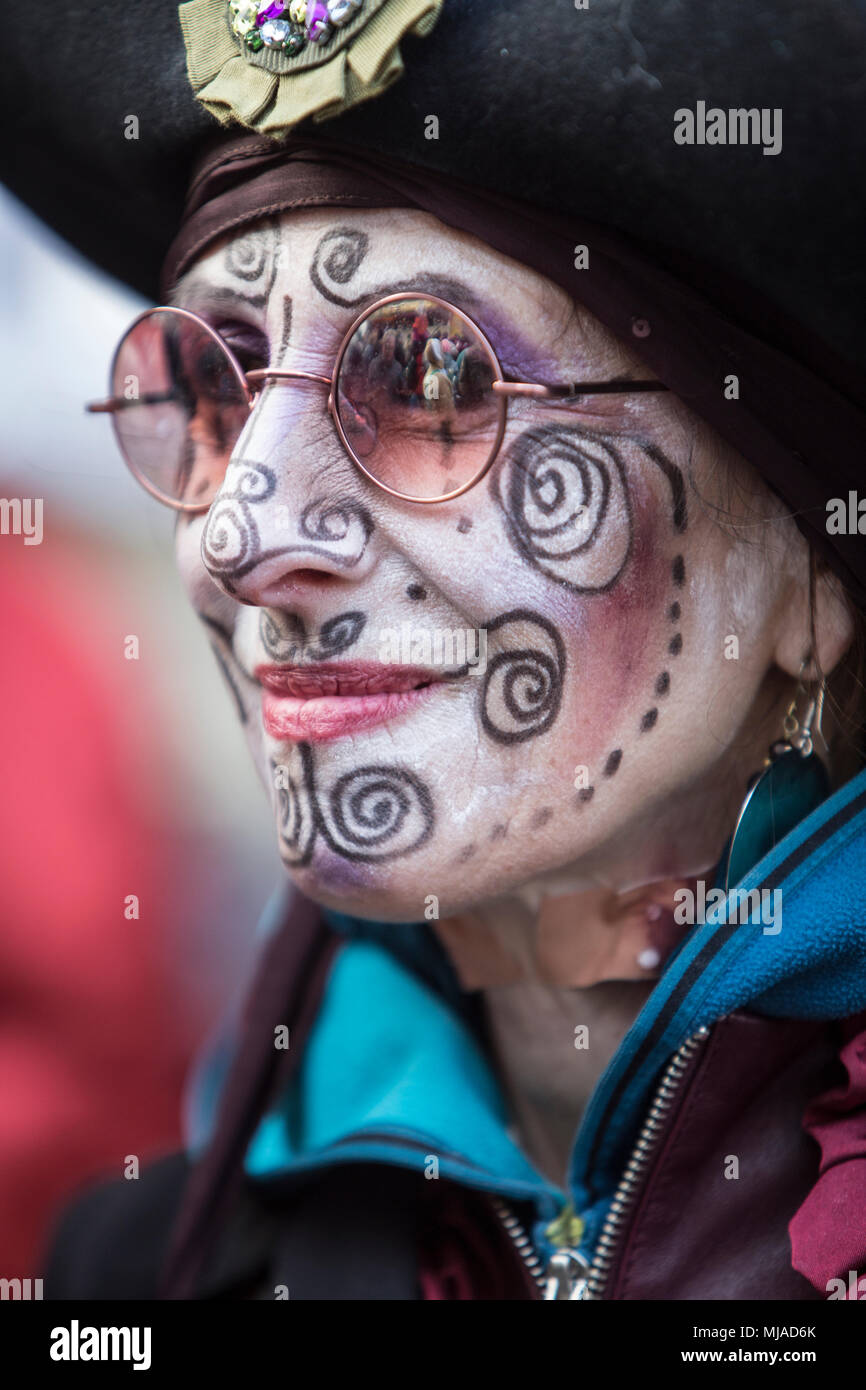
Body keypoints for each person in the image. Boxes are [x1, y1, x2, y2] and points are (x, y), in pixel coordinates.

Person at [5, 0, 865, 1300]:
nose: (237, 533)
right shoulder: (132, 1274)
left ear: (808, 576)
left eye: (427, 381)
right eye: (216, 391)